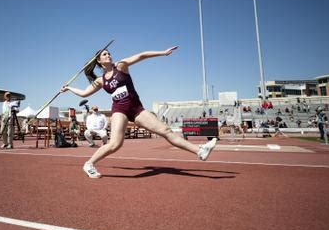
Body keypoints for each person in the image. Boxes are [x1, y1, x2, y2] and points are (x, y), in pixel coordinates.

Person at [61, 45, 217, 178]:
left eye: (109, 53)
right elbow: (84, 93)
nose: (108, 55)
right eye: (104, 54)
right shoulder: (101, 80)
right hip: (119, 110)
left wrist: (162, 53)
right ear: (100, 62)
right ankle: (89, 164)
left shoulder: (121, 66)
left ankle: (200, 151)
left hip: (137, 109)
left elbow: (142, 55)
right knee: (115, 144)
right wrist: (68, 88)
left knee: (166, 130)